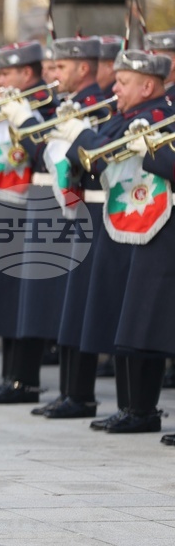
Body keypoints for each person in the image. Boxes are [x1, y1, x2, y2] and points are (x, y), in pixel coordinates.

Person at [81, 50, 173, 436]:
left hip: (158, 224)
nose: (114, 88)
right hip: (132, 221)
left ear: (147, 86)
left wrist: (151, 149)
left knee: (147, 321)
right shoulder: (138, 115)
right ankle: (133, 408)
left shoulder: (161, 114)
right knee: (132, 320)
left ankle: (141, 409)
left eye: (123, 82)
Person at [0, 41, 59, 404]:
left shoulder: (46, 104)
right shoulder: (9, 102)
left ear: (26, 73)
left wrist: (23, 119)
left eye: (6, 73)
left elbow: (45, 152)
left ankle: (26, 379)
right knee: (10, 296)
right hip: (8, 202)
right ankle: (12, 376)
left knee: (28, 297)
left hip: (36, 202)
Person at [28, 36, 110, 418]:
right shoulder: (64, 104)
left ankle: (80, 394)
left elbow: (99, 158)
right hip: (71, 209)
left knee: (80, 306)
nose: (54, 74)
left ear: (83, 67)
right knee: (69, 304)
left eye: (61, 67)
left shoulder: (99, 106)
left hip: (91, 209)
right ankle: (69, 392)